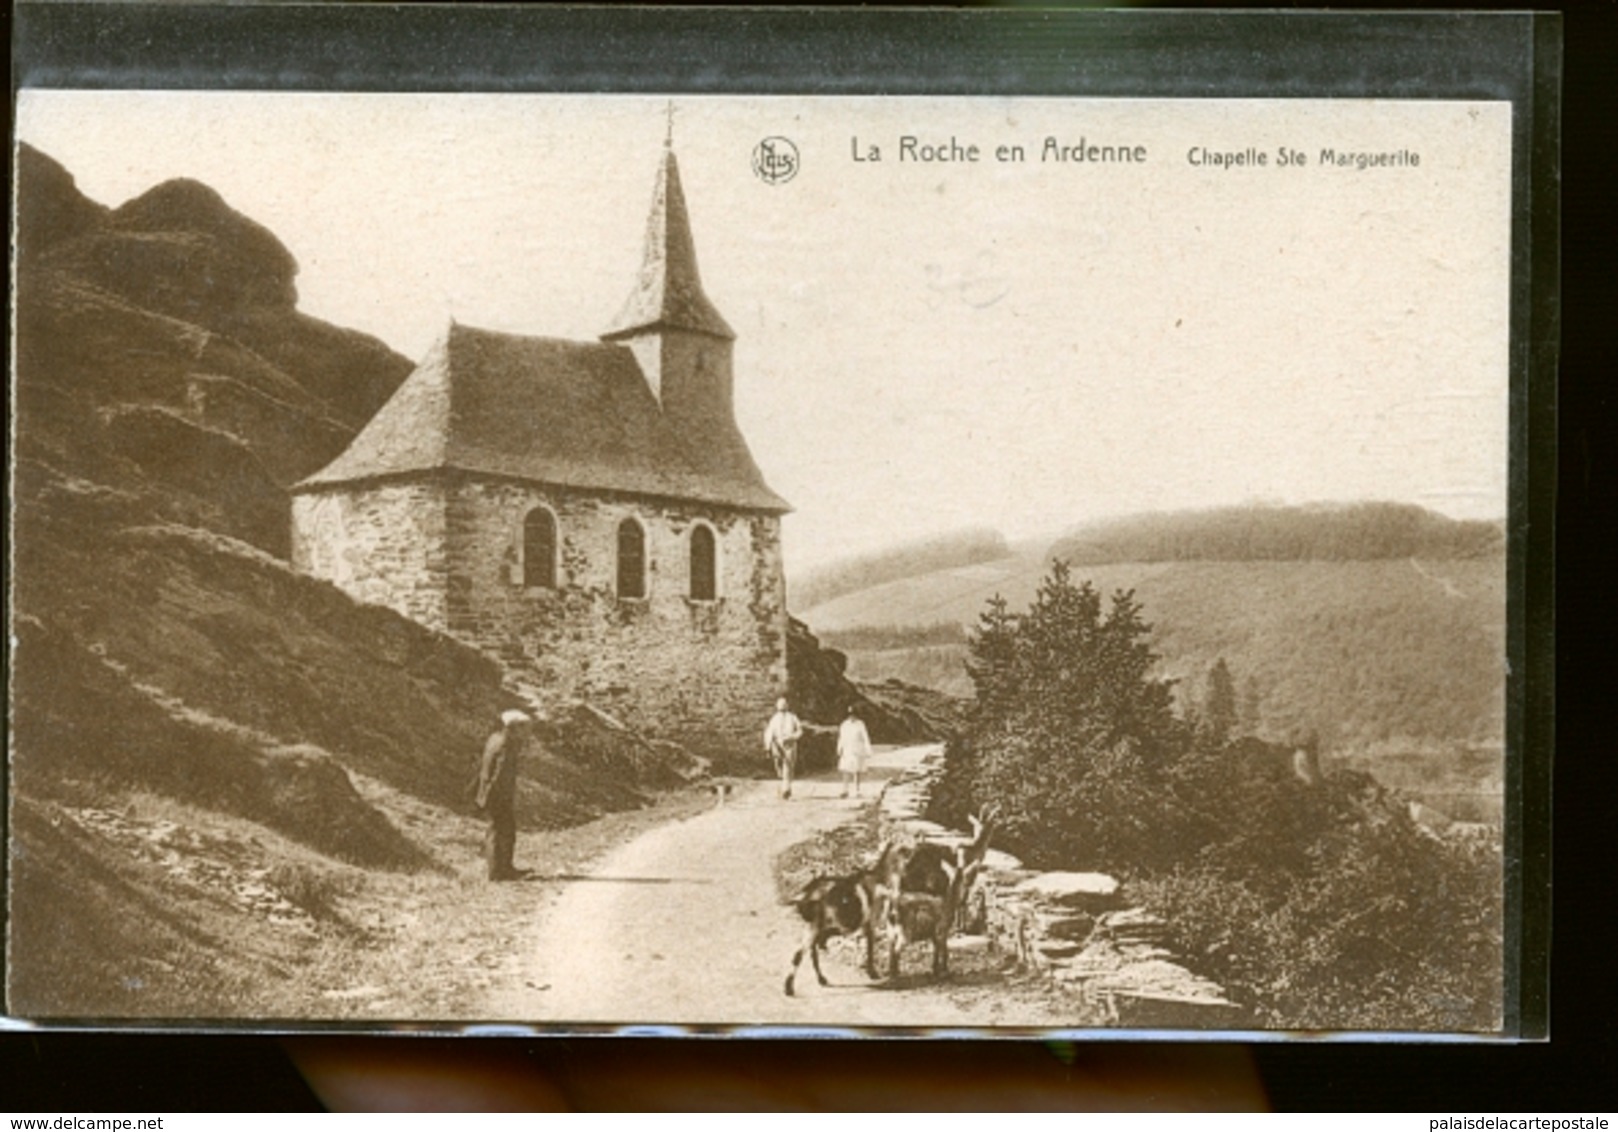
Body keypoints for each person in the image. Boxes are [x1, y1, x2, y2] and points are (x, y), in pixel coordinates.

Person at [476, 709, 532, 880]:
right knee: (501, 831)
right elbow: (500, 774)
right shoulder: (506, 744)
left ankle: (501, 869)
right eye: (523, 727)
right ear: (513, 727)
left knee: (500, 831)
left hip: (491, 792)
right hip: (498, 795)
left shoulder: (495, 738)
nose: (526, 731)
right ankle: (498, 872)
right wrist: (499, 796)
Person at [762, 696, 803, 800]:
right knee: (779, 765)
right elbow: (769, 732)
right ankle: (785, 783)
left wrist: (792, 737)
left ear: (787, 706)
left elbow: (800, 731)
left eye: (784, 706)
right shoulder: (774, 718)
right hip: (777, 745)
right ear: (777, 707)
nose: (782, 709)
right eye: (780, 706)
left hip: (789, 744)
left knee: (788, 767)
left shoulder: (792, 717)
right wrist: (767, 746)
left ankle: (786, 789)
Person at [836, 703, 872, 798]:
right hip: (847, 749)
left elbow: (865, 737)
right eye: (850, 715)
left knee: (857, 770)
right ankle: (845, 790)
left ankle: (857, 790)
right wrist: (839, 748)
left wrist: (868, 749)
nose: (852, 717)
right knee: (846, 770)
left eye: (853, 714)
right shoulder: (844, 725)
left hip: (857, 749)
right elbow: (841, 737)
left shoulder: (860, 724)